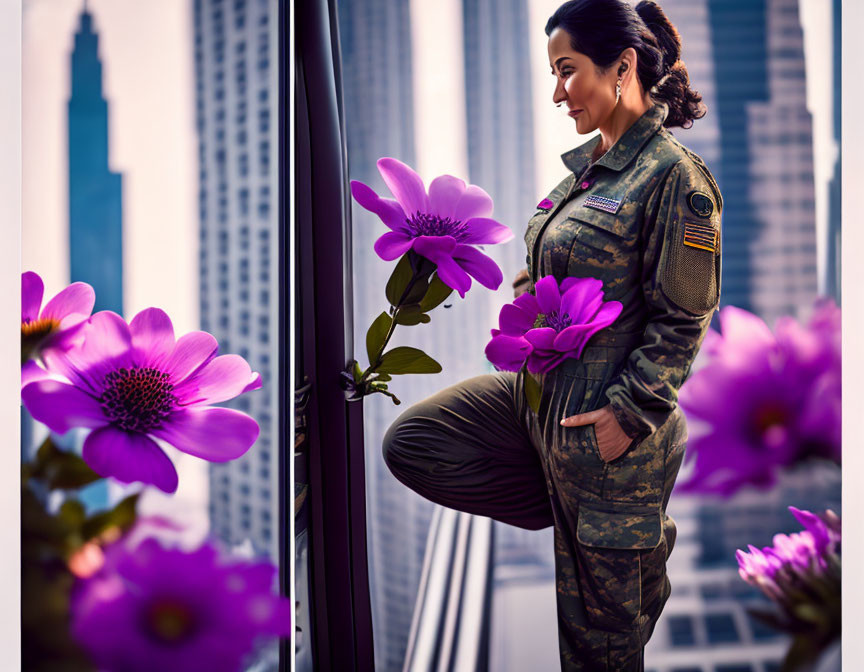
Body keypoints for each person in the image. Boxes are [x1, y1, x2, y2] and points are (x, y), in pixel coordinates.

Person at [382, 0, 722, 669]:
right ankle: (600, 519)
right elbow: (544, 274)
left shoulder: (675, 179)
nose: (558, 91)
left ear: (621, 66)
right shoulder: (581, 177)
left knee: (598, 651)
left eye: (567, 71)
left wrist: (627, 417)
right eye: (552, 73)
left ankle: (624, 524)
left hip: (612, 426)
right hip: (541, 404)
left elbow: (683, 317)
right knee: (414, 442)